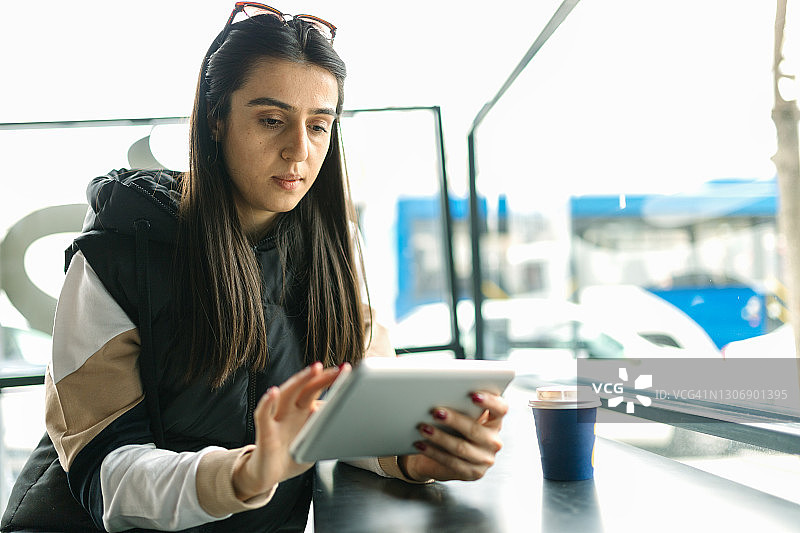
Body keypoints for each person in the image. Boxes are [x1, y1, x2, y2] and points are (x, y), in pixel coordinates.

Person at [42, 3, 509, 532]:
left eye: (319, 125)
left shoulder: (334, 248)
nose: (299, 150)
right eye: (271, 120)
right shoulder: (114, 255)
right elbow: (104, 473)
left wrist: (410, 457)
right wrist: (246, 473)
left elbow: (351, 410)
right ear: (216, 119)